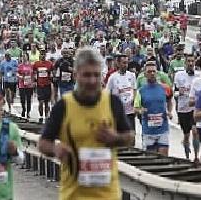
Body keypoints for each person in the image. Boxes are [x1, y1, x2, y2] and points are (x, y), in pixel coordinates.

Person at [39, 47, 134, 200]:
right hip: (74, 195)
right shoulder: (63, 106)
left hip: (108, 195)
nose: (92, 81)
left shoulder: (111, 102)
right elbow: (43, 143)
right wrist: (56, 150)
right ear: (76, 75)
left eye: (96, 75)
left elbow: (129, 136)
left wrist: (115, 138)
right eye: (87, 75)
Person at [135, 61, 172, 156]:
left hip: (163, 130)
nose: (152, 74)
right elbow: (136, 108)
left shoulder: (165, 88)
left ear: (157, 73)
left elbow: (169, 100)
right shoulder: (141, 91)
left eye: (153, 71)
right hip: (148, 131)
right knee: (151, 160)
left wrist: (169, 111)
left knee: (164, 159)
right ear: (145, 74)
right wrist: (141, 110)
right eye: (149, 72)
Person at [174, 55, 201, 160]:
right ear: (185, 63)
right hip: (183, 109)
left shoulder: (199, 75)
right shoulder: (179, 75)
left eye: (192, 61)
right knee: (186, 135)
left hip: (194, 109)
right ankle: (187, 156)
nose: (190, 63)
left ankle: (196, 157)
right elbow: (174, 93)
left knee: (195, 131)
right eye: (188, 61)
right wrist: (178, 93)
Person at [105, 55, 138, 136]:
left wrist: (134, 100)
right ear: (118, 63)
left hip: (130, 112)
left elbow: (134, 89)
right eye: (123, 63)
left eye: (127, 63)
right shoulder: (112, 77)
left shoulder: (132, 75)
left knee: (131, 136)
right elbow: (107, 93)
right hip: (118, 113)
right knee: (120, 137)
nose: (126, 65)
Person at [32, 53, 53, 123]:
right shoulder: (36, 64)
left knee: (47, 103)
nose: (43, 56)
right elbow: (33, 72)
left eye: (44, 55)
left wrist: (52, 77)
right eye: (41, 54)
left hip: (47, 85)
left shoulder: (49, 64)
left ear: (45, 56)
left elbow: (53, 72)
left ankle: (46, 116)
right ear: (39, 56)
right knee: (41, 102)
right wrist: (34, 81)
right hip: (40, 86)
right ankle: (41, 116)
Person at [17, 53, 35, 120]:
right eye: (22, 57)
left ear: (28, 57)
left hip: (29, 84)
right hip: (22, 84)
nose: (23, 58)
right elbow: (17, 73)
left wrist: (33, 82)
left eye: (25, 56)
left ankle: (28, 112)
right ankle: (23, 109)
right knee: (22, 99)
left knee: (29, 99)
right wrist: (20, 77)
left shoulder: (31, 65)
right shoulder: (20, 66)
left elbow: (33, 74)